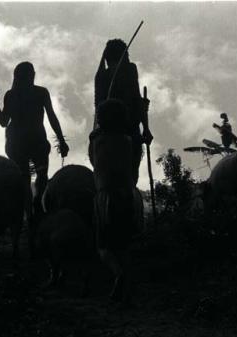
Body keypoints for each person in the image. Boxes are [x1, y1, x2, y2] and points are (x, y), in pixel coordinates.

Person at [0, 61, 69, 254]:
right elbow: (51, 117)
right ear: (31, 75)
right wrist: (61, 139)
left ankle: (31, 215)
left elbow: (3, 122)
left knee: (25, 181)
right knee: (40, 179)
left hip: (18, 143)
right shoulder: (40, 93)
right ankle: (35, 213)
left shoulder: (13, 95)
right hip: (34, 142)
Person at [89, 99, 143, 303]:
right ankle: (127, 282)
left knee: (104, 246)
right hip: (128, 194)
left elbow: (94, 161)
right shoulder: (127, 140)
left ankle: (118, 274)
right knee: (124, 244)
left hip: (107, 196)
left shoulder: (97, 141)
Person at [93, 39, 153, 185]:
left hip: (104, 131)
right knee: (131, 178)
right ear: (124, 55)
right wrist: (146, 128)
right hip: (129, 130)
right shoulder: (130, 70)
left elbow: (98, 107)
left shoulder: (100, 76)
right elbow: (137, 100)